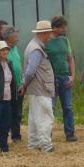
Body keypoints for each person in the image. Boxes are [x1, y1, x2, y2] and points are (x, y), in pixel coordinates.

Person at [20, 20, 56, 152]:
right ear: (45, 33)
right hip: (41, 88)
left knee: (34, 118)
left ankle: (33, 145)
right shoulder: (37, 49)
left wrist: (25, 84)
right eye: (49, 33)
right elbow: (30, 71)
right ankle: (46, 146)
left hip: (36, 89)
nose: (50, 37)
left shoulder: (33, 45)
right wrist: (24, 83)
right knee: (44, 117)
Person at [46, 15, 77, 142]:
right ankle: (47, 135)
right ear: (55, 28)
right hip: (51, 79)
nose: (64, 30)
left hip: (65, 78)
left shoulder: (65, 40)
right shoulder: (46, 41)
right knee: (50, 108)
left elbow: (70, 59)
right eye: (62, 28)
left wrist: (72, 76)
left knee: (68, 107)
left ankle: (70, 133)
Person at [1, 25, 24, 142]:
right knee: (7, 112)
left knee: (17, 112)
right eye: (16, 36)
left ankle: (16, 135)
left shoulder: (15, 49)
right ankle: (4, 136)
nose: (18, 39)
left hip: (18, 85)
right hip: (7, 87)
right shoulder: (1, 49)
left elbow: (19, 65)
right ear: (9, 37)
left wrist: (22, 82)